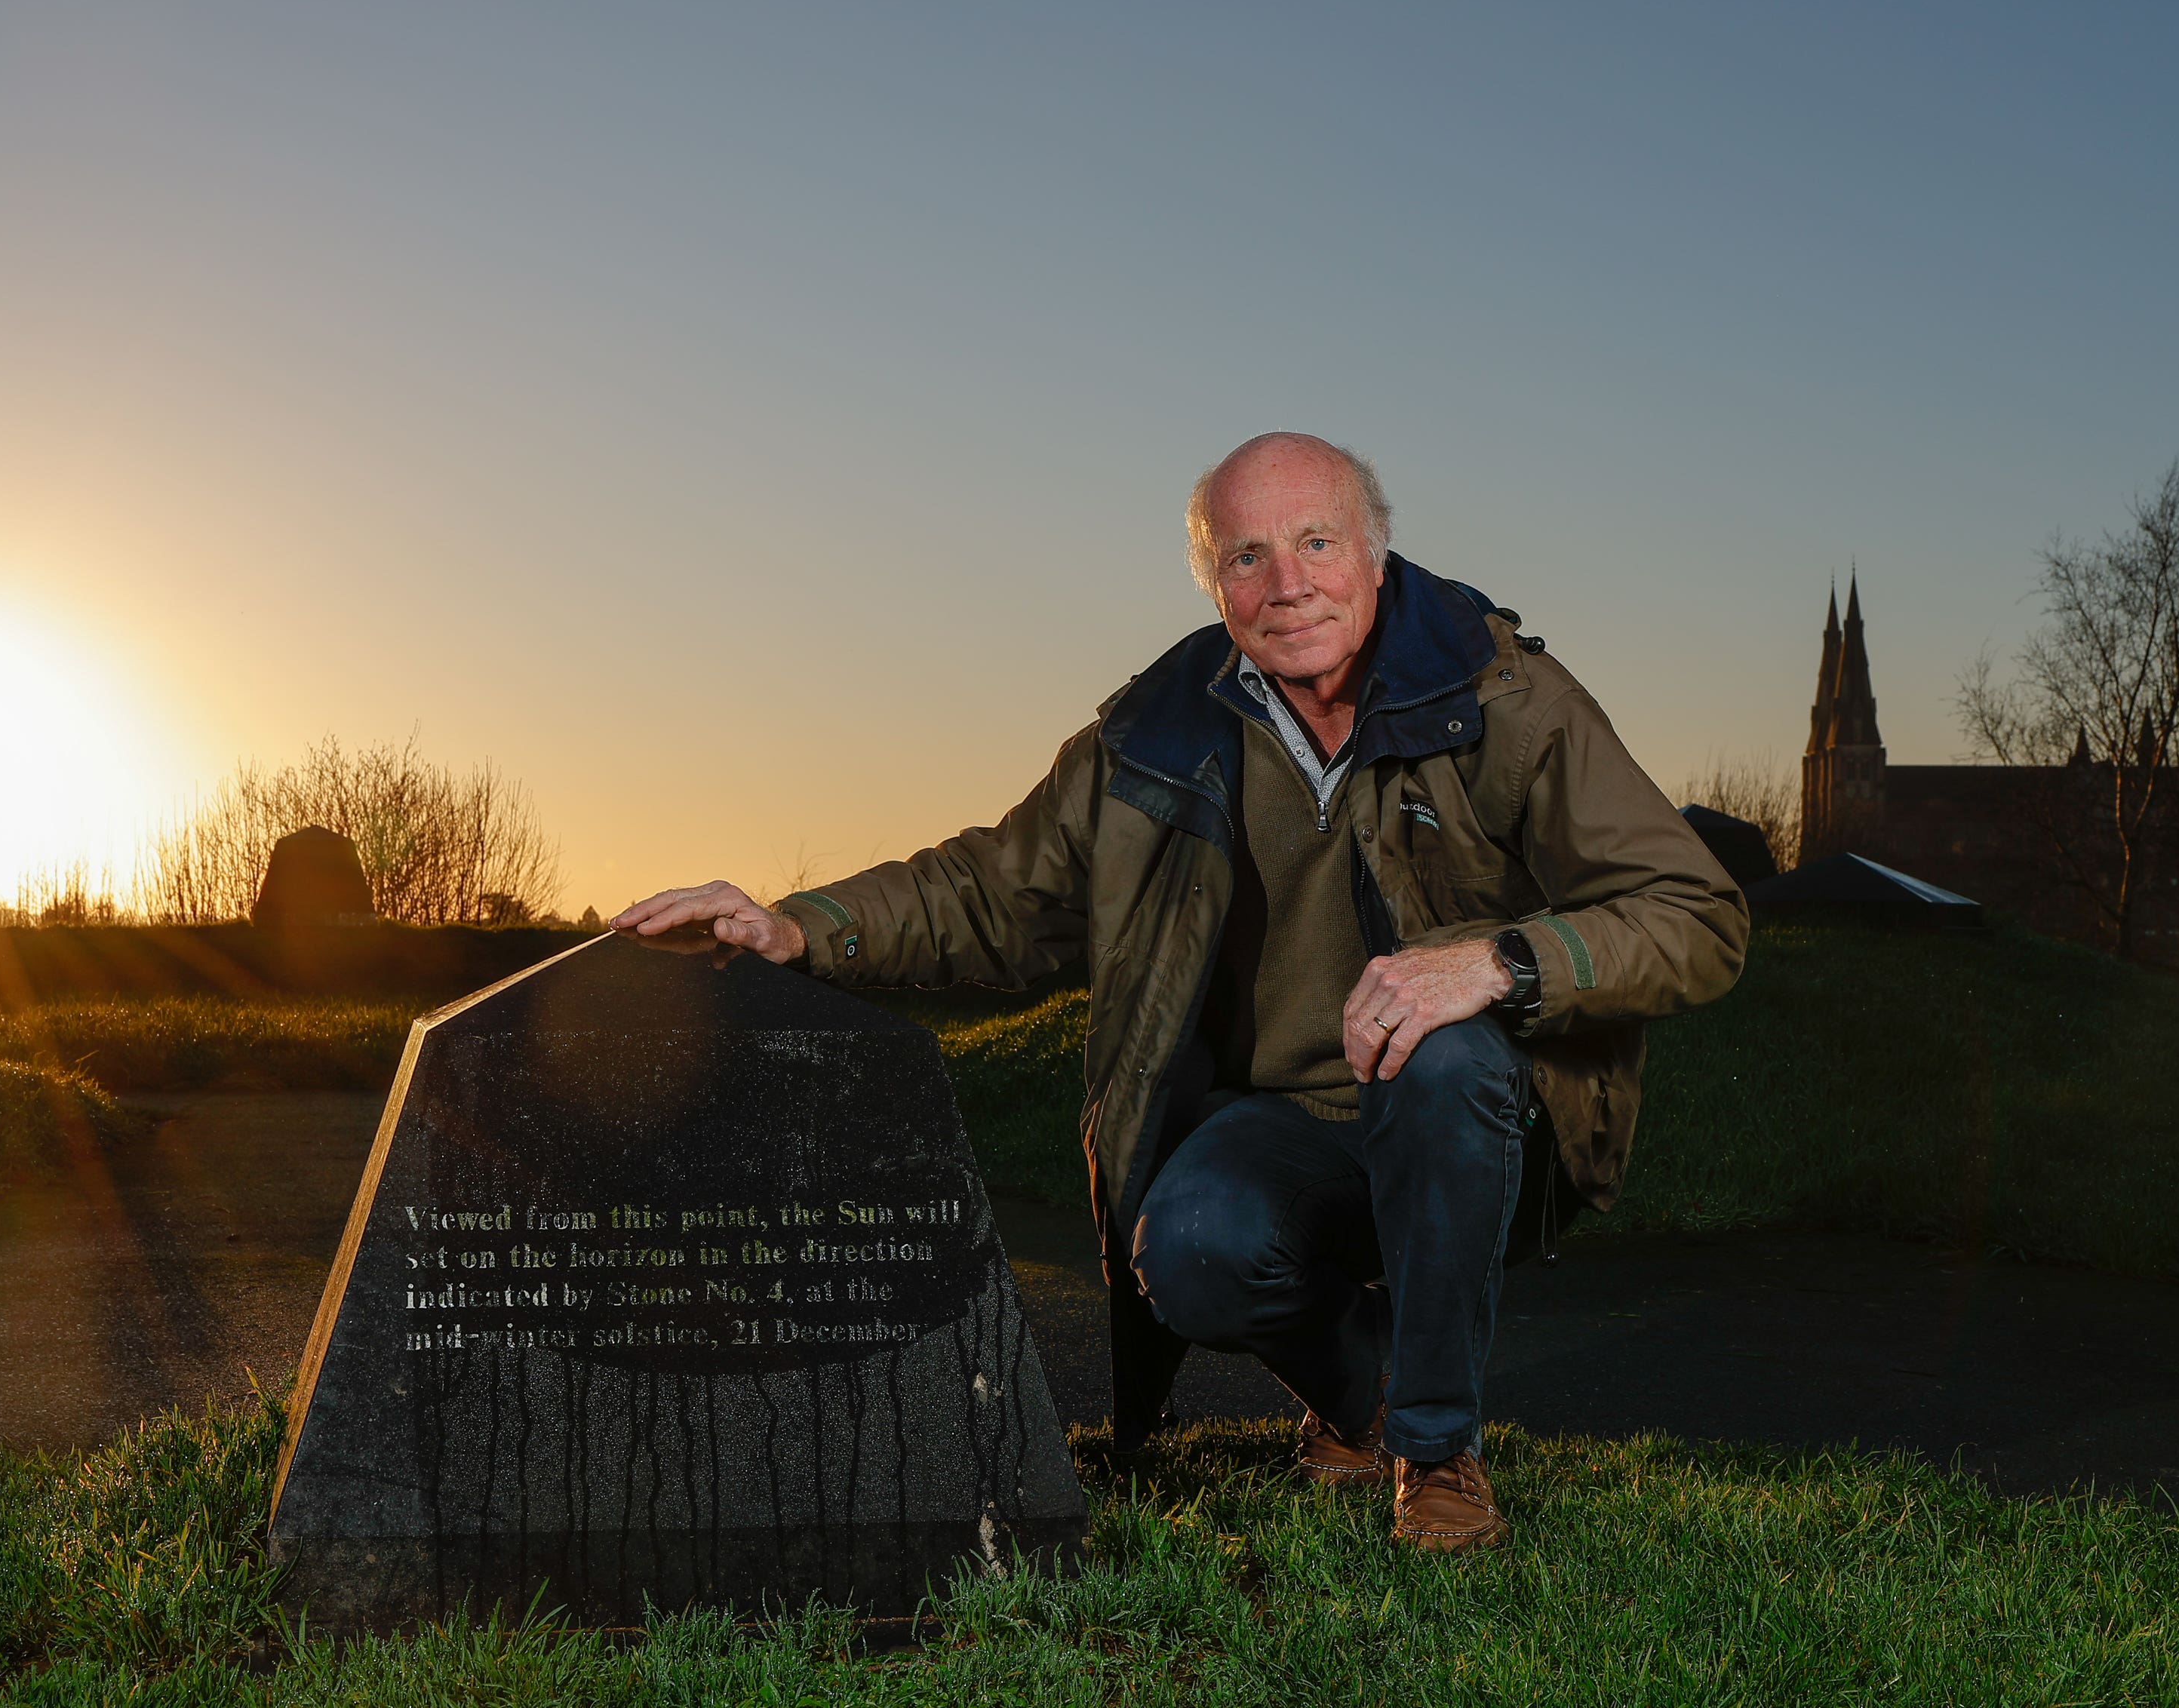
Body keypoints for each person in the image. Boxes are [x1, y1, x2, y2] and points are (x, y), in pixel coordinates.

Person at [616, 431, 1746, 1552]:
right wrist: (797, 920)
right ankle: (1366, 1397)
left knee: (1443, 1052)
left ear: (1378, 546)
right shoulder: (1154, 728)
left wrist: (1497, 961)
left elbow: (1699, 915)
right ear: (1212, 579)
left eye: (1316, 541)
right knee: (1192, 1245)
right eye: (1246, 555)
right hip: (1277, 1126)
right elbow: (993, 891)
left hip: (1474, 1114)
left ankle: (1438, 1458)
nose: (1287, 582)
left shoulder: (1503, 694)